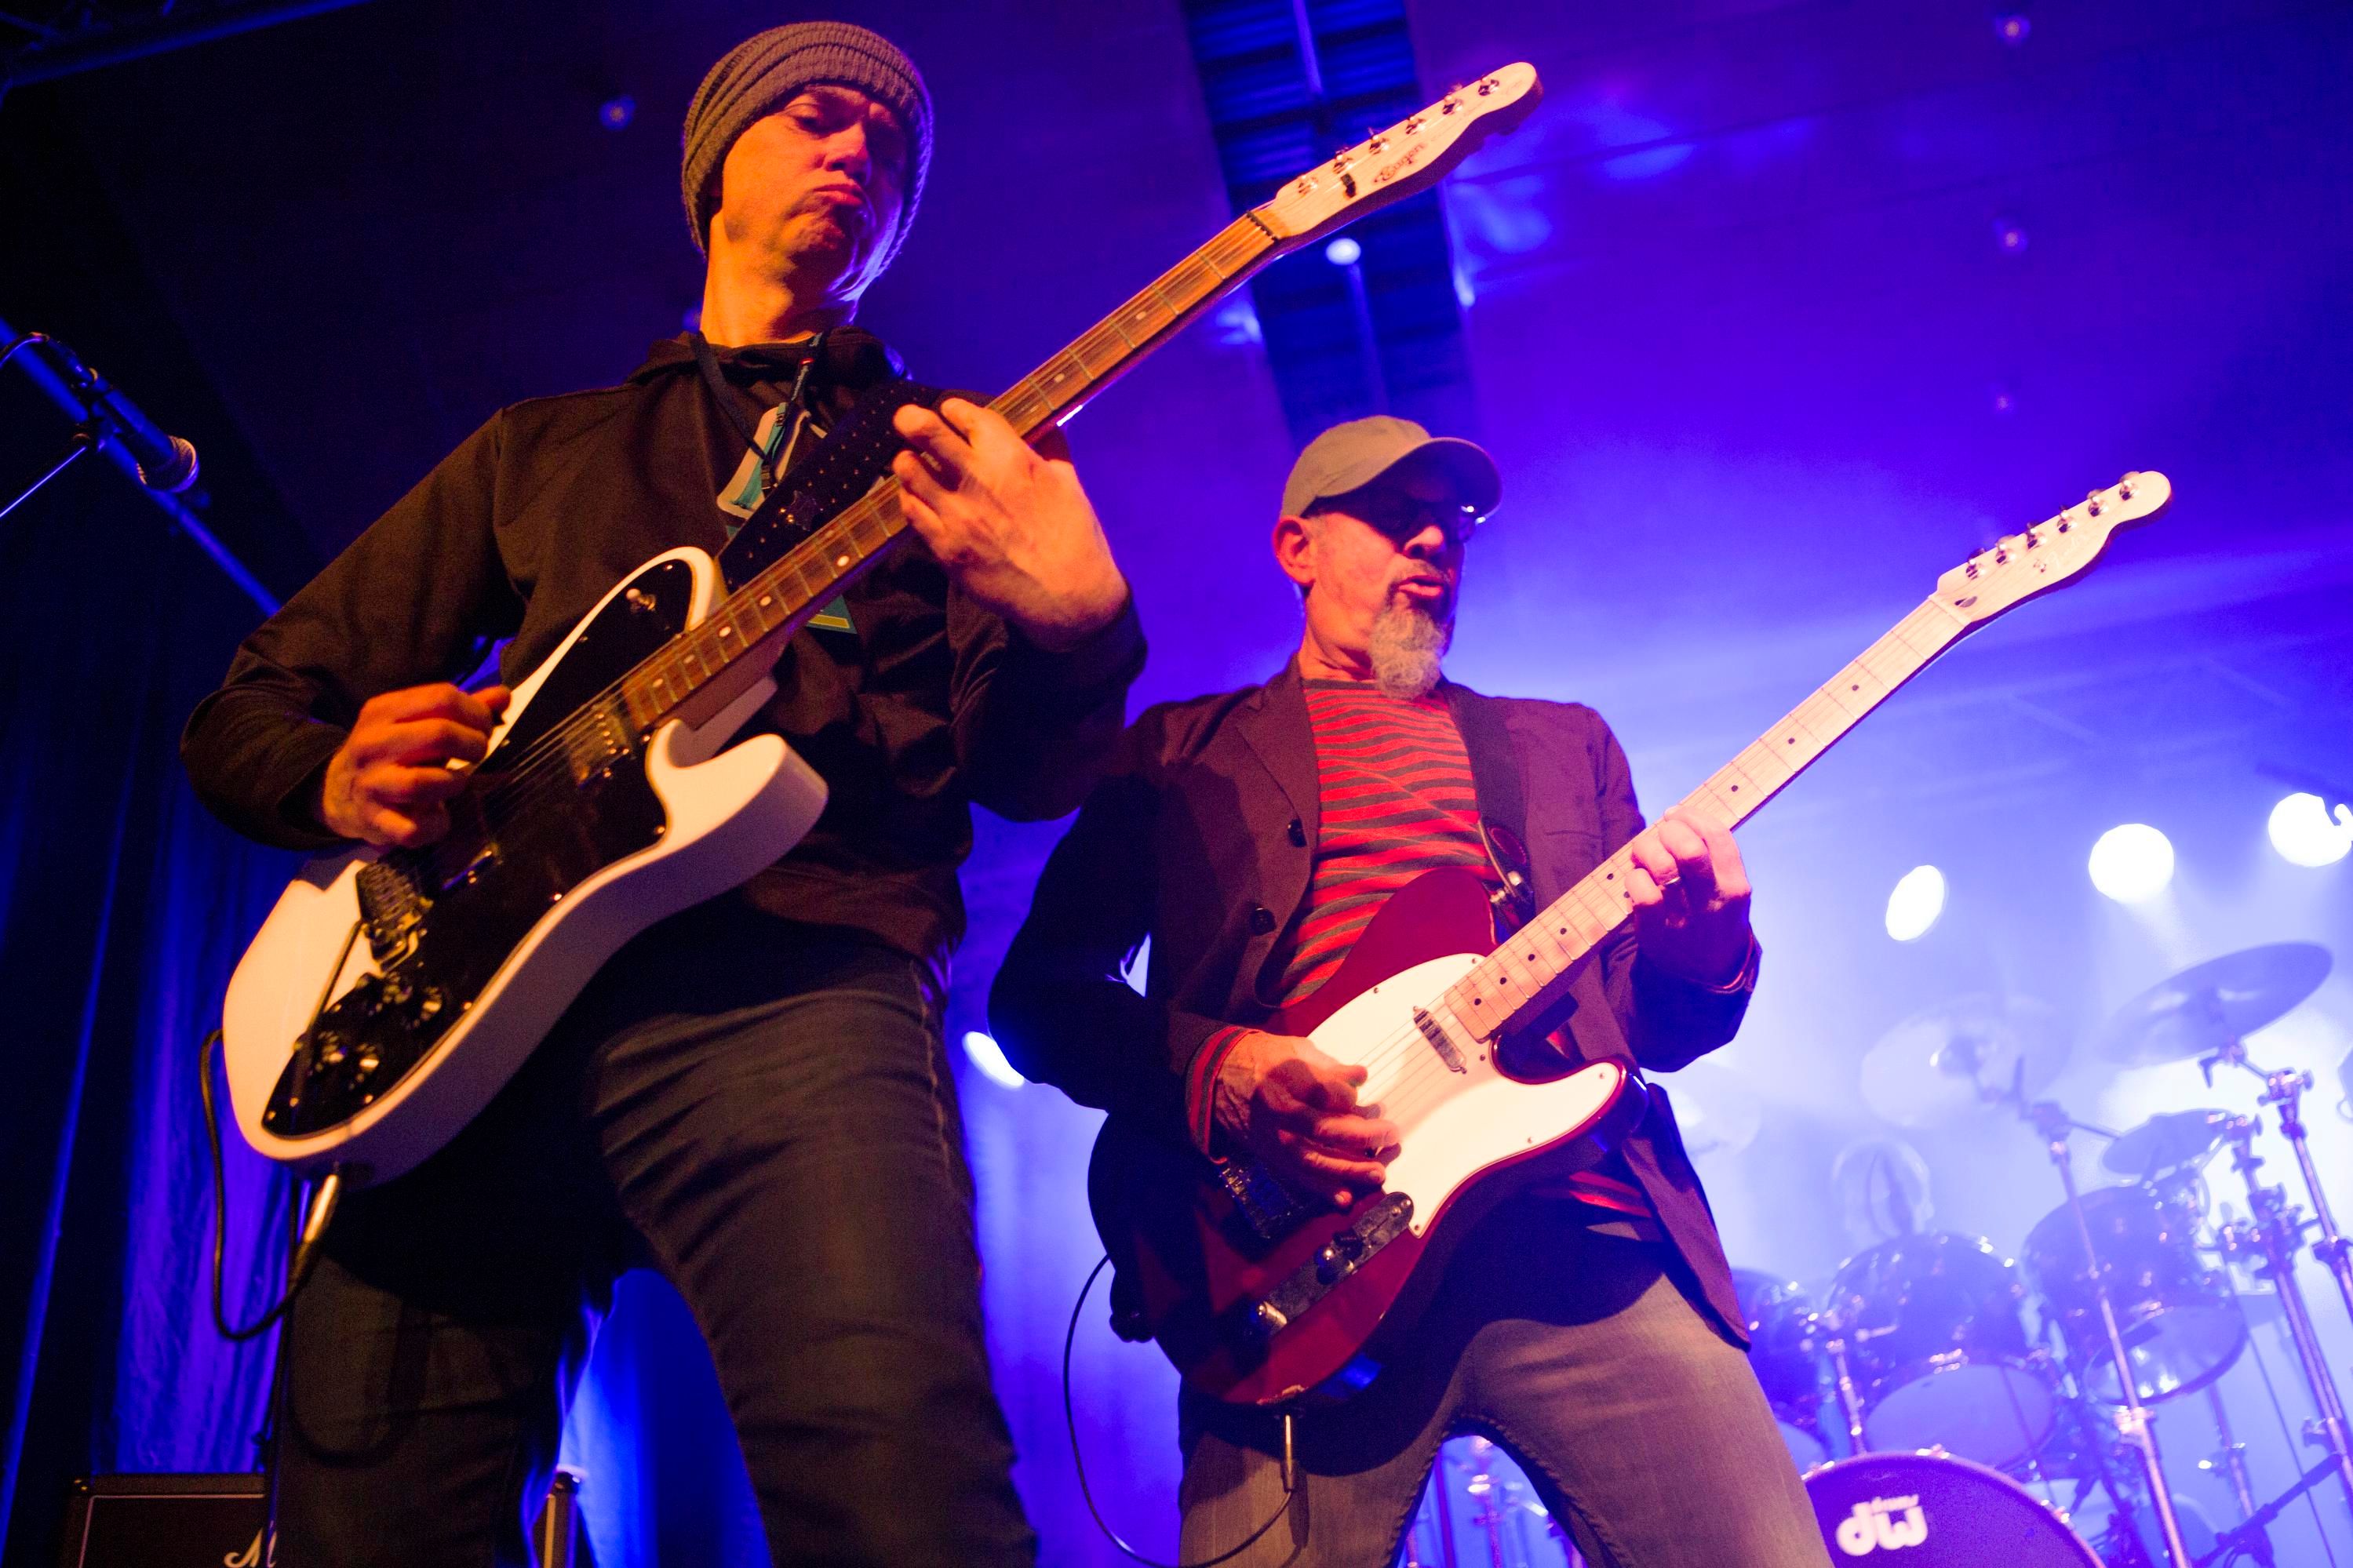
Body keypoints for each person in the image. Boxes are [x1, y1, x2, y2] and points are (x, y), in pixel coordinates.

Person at [181, 22, 1141, 1568]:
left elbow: (1030, 779)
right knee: (367, 1525)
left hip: (797, 985)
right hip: (460, 1028)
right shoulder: (543, 450)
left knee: (902, 1510)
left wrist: (1081, 625)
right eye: (815, 117)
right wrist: (335, 773)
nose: (856, 150)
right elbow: (247, 707)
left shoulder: (948, 458)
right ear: (713, 169)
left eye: (888, 149)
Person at [989, 417, 1831, 1566]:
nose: (1434, 541)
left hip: (1582, 1234)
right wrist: (1220, 1070)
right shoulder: (1179, 754)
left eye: (1452, 524)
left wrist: (1706, 952)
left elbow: (1647, 1023)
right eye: (1395, 516)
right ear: (1296, 548)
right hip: (1291, 1265)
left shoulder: (1563, 746)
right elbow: (1039, 996)